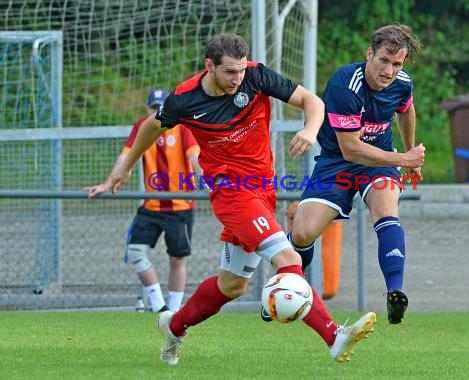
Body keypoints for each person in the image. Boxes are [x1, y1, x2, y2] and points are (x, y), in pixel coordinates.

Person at [104, 33, 377, 365]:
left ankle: (173, 325)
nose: (238, 78)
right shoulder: (185, 98)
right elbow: (152, 126)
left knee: (231, 285)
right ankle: (334, 336)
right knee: (288, 258)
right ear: (210, 66)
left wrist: (309, 129)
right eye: (230, 72)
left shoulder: (256, 75)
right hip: (231, 193)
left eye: (241, 71)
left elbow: (313, 101)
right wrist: (125, 164)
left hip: (262, 189)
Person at [261, 24, 425, 325]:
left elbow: (406, 110)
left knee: (386, 209)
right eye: (383, 61)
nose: (389, 71)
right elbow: (351, 150)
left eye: (397, 64)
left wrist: (411, 152)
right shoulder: (345, 84)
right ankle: (282, 288)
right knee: (302, 231)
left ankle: (394, 293)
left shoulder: (402, 83)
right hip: (337, 161)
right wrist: (405, 157)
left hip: (378, 160)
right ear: (369, 54)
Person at [84, 88, 203, 313]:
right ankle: (160, 307)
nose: (158, 112)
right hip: (151, 205)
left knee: (177, 259)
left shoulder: (183, 126)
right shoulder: (142, 127)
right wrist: (107, 183)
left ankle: (175, 312)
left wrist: (207, 178)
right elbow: (125, 156)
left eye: (162, 107)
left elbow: (195, 156)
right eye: (154, 108)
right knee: (135, 252)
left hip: (180, 206)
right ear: (148, 109)